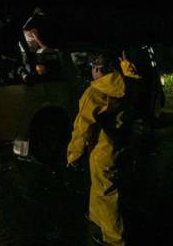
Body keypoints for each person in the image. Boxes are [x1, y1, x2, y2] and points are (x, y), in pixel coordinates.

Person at [66, 52, 140, 246]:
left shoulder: (95, 92)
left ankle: (114, 239)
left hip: (102, 149)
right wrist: (126, 65)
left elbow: (82, 126)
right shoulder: (126, 85)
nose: (91, 72)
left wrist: (73, 155)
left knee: (105, 191)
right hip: (121, 144)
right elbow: (133, 78)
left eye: (93, 68)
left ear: (98, 69)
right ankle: (95, 217)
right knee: (99, 185)